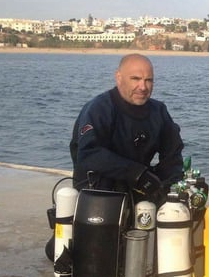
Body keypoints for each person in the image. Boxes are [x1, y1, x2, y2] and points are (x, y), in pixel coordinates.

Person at [70, 53, 184, 202]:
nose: (143, 87)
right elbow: (88, 153)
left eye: (148, 80)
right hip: (98, 192)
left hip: (139, 189)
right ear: (119, 78)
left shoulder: (159, 111)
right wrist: (137, 173)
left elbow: (173, 154)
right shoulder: (99, 109)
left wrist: (165, 185)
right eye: (135, 79)